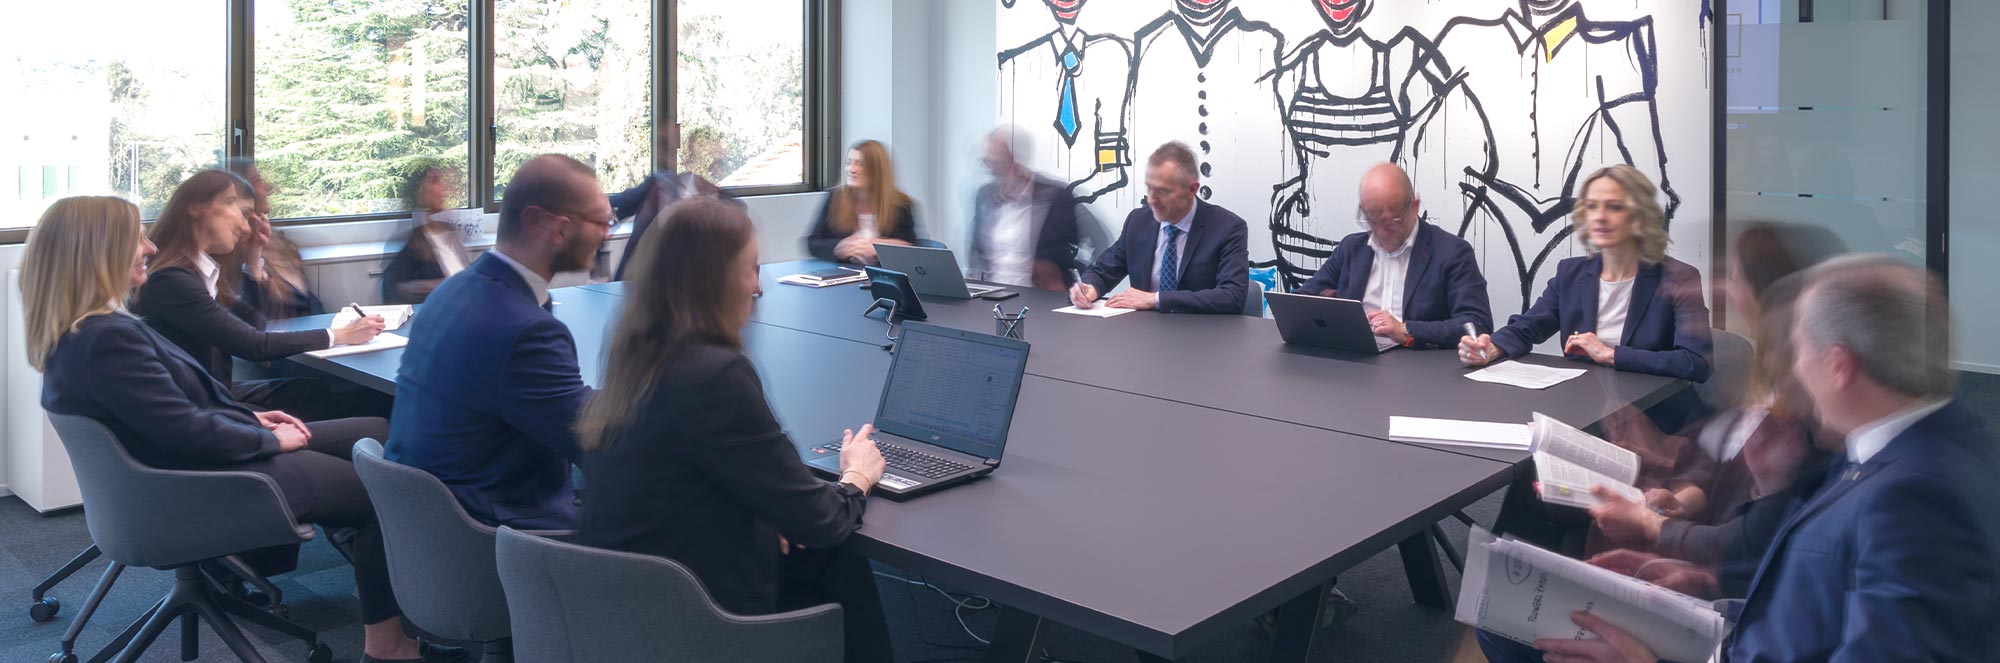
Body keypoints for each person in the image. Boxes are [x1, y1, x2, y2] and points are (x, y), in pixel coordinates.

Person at [22, 196, 462, 663]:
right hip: (202, 481)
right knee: (383, 488)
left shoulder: (90, 332)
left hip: (176, 469)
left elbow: (168, 411)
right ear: (98, 251)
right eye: (137, 239)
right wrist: (268, 439)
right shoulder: (107, 340)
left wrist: (249, 417)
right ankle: (389, 644)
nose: (150, 248)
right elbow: (185, 432)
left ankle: (390, 574)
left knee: (376, 429)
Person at [1511, 257, 2000, 663]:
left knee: (1518, 633)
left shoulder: (1917, 496)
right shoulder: (1897, 447)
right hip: (1735, 630)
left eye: (1801, 351)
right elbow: (1826, 591)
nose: (1795, 373)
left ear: (1837, 366)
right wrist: (1708, 586)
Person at [574, 197, 895, 662]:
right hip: (692, 622)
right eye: (751, 269)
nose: (758, 287)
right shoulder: (713, 374)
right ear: (716, 279)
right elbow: (822, 520)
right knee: (839, 558)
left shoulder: (638, 353)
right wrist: (857, 476)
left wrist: (767, 512)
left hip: (618, 608)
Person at [387, 155, 608, 529]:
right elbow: (593, 442)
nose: (606, 233)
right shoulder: (524, 330)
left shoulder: (453, 291)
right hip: (495, 530)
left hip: (434, 521)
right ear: (545, 224)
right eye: (599, 221)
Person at [134, 170, 385, 422]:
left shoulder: (200, 272)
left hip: (212, 393)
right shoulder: (172, 282)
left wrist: (254, 259)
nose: (245, 227)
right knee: (371, 418)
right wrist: (341, 335)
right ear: (196, 207)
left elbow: (256, 322)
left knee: (313, 392)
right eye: (233, 205)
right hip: (202, 405)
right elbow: (254, 345)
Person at [1459, 165, 1711, 381]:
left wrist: (1609, 354)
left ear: (1640, 217)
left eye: (1614, 207)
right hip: (1583, 402)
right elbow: (1526, 328)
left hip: (1652, 407)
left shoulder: (1679, 277)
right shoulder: (1570, 273)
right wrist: (1490, 348)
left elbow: (1695, 362)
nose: (1599, 217)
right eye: (1591, 207)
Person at [1291, 162, 1492, 349]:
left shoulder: (1451, 252)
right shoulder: (1351, 249)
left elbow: (1477, 323)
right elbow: (1300, 301)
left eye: (1394, 219)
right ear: (1363, 211)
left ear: (1414, 206)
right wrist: (1329, 312)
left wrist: (1406, 331)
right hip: (1353, 360)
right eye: (1373, 216)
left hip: (1418, 365)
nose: (1382, 230)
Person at [1068, 141, 1249, 314]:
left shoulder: (1227, 228)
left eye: (1162, 191)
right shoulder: (1138, 222)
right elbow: (1103, 272)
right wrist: (1089, 287)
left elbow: (1232, 296)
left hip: (1202, 332)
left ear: (1192, 189)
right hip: (1144, 331)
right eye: (1149, 188)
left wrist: (1156, 299)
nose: (1151, 199)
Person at [605, 120, 736, 281]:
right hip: (635, 285)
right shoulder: (657, 184)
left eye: (715, 157)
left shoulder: (731, 208)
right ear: (688, 156)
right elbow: (609, 206)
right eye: (662, 144)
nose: (711, 163)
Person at [966, 127, 1081, 290]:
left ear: (1015, 162)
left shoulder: (1055, 197)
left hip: (1038, 296)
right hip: (991, 294)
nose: (990, 169)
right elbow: (975, 249)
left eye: (996, 162)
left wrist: (1076, 284)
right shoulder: (984, 196)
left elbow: (1096, 242)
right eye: (988, 161)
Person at [225, 158, 324, 320]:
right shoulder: (233, 256)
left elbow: (309, 304)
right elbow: (253, 322)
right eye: (257, 180)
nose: (268, 188)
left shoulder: (278, 242)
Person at [804, 140, 920, 264]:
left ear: (877, 170)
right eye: (849, 163)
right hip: (845, 271)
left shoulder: (900, 204)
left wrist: (882, 246)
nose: (852, 169)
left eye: (860, 164)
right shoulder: (835, 198)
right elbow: (813, 243)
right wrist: (841, 247)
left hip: (883, 272)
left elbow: (913, 249)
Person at [381, 161, 472, 304]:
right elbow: (394, 288)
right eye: (435, 181)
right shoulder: (415, 244)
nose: (445, 188)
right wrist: (448, 284)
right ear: (420, 193)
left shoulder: (450, 233)